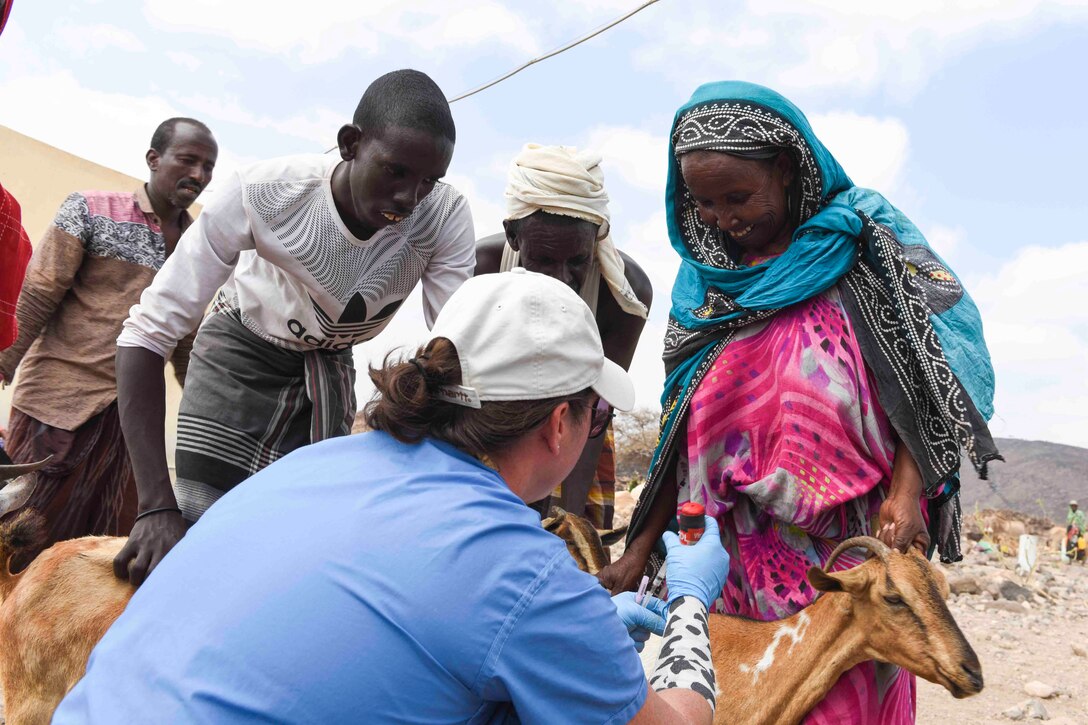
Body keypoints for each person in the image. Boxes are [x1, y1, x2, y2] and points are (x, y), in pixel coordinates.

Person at [55, 270, 729, 724]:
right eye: (595, 414)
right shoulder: (517, 568)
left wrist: (575, 629)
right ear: (561, 421)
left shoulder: (319, 464)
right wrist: (691, 606)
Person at [603, 81, 1001, 723]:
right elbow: (679, 425)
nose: (722, 218)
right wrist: (638, 549)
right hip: (725, 564)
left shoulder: (863, 247)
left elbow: (934, 373)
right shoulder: (704, 288)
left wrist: (907, 492)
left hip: (847, 565)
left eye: (738, 197)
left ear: (788, 169)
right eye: (703, 202)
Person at [113, 69, 476, 585]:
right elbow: (147, 333)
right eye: (395, 171)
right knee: (201, 542)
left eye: (427, 181)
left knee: (294, 561)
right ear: (350, 144)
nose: (408, 197)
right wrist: (154, 506)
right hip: (239, 356)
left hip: (328, 371)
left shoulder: (443, 217)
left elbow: (455, 347)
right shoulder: (266, 193)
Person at [0, 118, 217, 571]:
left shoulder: (200, 246)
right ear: (153, 159)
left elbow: (185, 344)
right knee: (18, 537)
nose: (198, 175)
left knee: (93, 551)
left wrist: (207, 420)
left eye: (208, 167)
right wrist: (2, 367)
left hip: (129, 425)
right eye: (188, 160)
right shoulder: (90, 209)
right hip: (57, 404)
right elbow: (37, 296)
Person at [476, 144, 652, 528]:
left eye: (577, 262)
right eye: (543, 259)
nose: (560, 278)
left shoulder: (625, 295)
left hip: (575, 432)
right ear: (513, 236)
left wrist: (566, 524)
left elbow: (592, 413)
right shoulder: (481, 271)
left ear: (598, 241)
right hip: (485, 426)